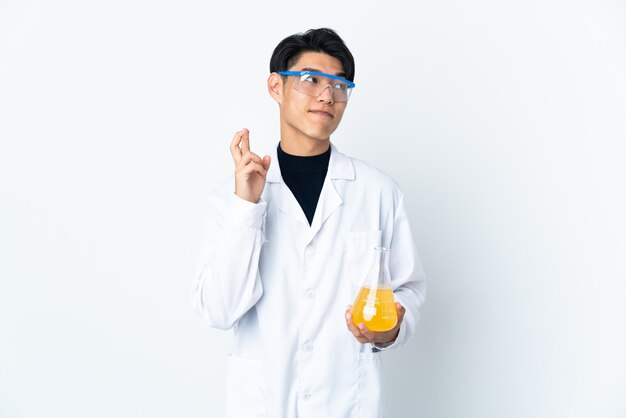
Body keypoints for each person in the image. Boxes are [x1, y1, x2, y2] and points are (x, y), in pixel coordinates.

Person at [191, 28, 427, 418]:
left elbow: (408, 291)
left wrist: (389, 331)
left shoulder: (378, 192)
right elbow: (219, 310)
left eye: (339, 86)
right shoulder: (231, 198)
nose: (326, 96)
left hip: (349, 403)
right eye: (310, 80)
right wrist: (246, 210)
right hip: (263, 404)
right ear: (275, 86)